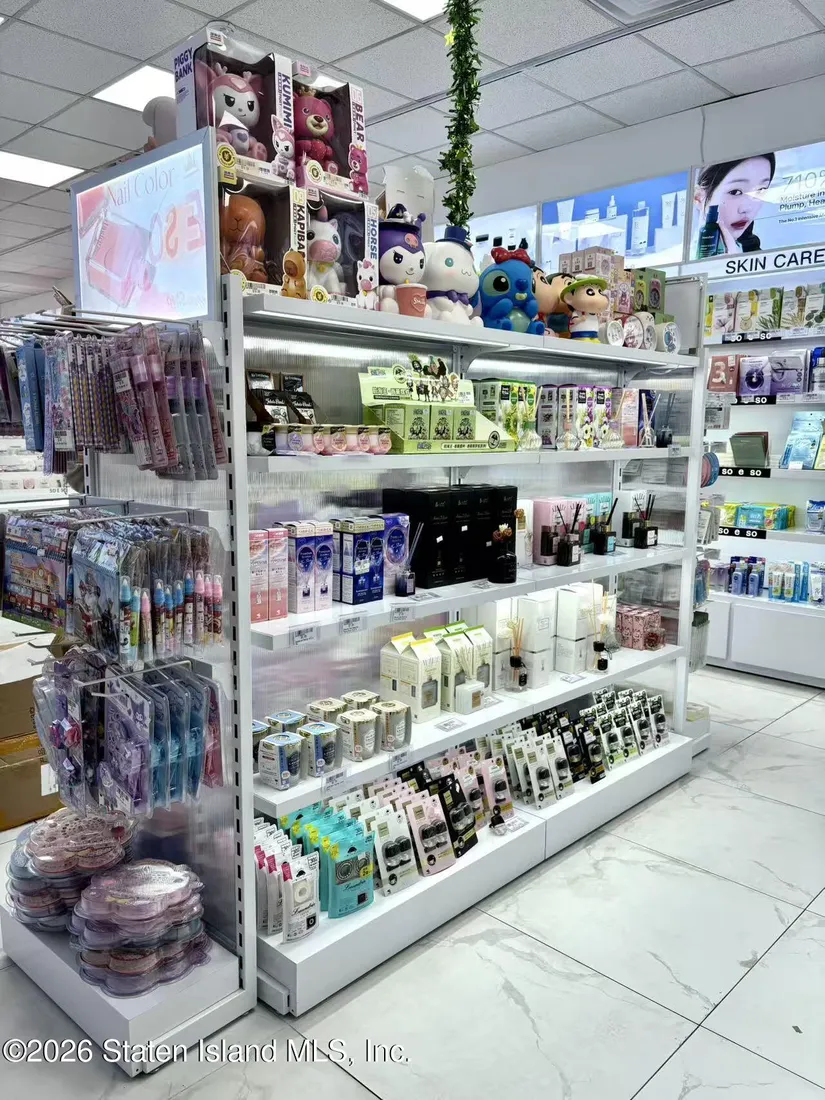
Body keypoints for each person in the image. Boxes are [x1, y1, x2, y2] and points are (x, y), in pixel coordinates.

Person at [694, 154, 776, 254]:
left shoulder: (762, 259)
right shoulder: (677, 255)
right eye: (735, 192)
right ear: (699, 197)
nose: (748, 208)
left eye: (761, 190)